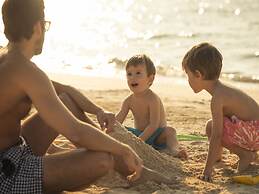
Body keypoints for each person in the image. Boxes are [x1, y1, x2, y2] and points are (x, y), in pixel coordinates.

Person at [0, 0, 169, 193]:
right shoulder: (27, 72)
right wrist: (122, 148)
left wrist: (98, 110)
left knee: (66, 101)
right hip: (6, 175)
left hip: (14, 149)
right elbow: (75, 132)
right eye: (46, 25)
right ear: (38, 27)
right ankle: (130, 167)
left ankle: (135, 170)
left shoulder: (7, 59)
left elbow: (65, 91)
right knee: (102, 160)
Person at [182, 42, 259, 182]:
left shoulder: (218, 98)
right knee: (211, 125)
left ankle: (246, 155)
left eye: (188, 75)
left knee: (216, 128)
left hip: (255, 133)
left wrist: (207, 170)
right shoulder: (222, 90)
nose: (188, 80)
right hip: (253, 131)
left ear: (198, 74)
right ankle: (217, 157)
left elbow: (217, 136)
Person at [116, 54, 187, 159]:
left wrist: (139, 141)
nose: (133, 78)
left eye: (138, 73)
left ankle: (174, 150)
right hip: (139, 133)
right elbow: (118, 120)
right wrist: (111, 127)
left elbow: (154, 125)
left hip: (157, 136)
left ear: (150, 78)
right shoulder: (128, 101)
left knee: (170, 131)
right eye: (129, 74)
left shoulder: (152, 99)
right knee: (121, 129)